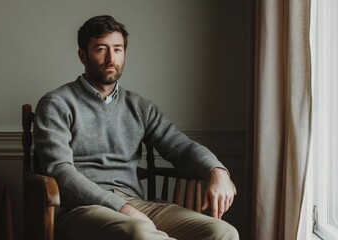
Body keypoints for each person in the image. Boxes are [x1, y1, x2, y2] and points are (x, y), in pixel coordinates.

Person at [34, 15, 239, 240]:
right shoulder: (56, 103)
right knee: (140, 233)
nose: (111, 58)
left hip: (137, 204)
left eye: (118, 49)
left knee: (223, 232)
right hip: (82, 208)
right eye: (101, 49)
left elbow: (180, 146)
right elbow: (60, 170)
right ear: (83, 55)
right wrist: (121, 208)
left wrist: (217, 171)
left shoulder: (140, 107)